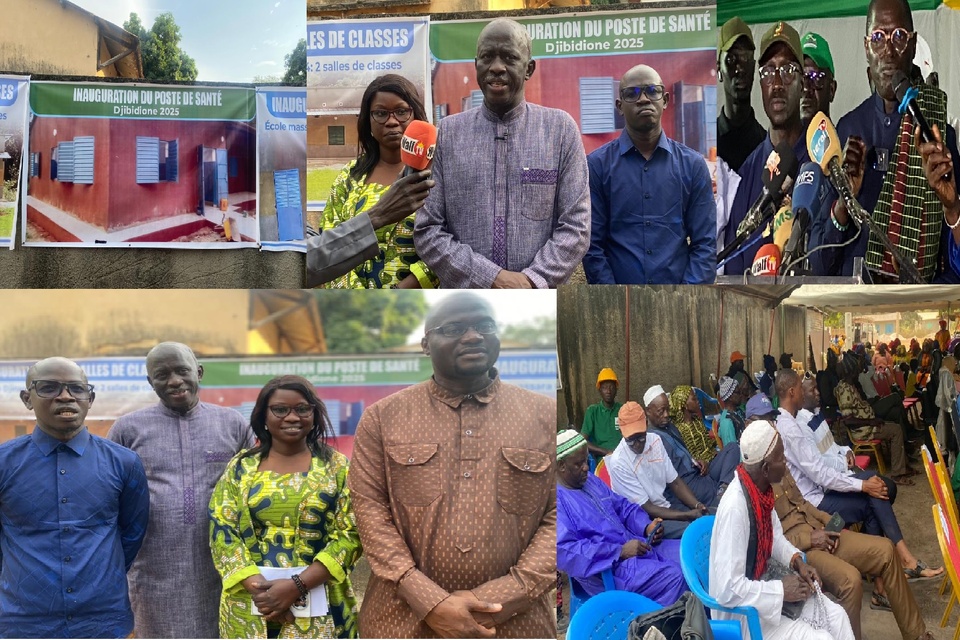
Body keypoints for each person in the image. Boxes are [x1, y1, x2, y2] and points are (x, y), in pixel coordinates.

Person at [347, 292, 554, 637]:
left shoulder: (544, 414)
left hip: (517, 622)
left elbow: (556, 517)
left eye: (484, 325)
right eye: (454, 328)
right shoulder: (383, 418)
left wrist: (494, 601)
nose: (473, 336)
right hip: (402, 618)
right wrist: (430, 602)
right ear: (426, 344)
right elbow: (370, 513)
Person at [414, 18, 590, 288]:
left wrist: (532, 281)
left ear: (529, 68)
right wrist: (489, 278)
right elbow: (428, 230)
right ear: (476, 66)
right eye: (487, 57)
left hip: (538, 306)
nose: (496, 67)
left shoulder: (560, 130)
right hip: (466, 306)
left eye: (509, 57)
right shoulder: (448, 133)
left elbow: (576, 227)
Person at [107, 342, 253, 639]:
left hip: (221, 566)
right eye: (162, 374)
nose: (174, 380)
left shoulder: (233, 424)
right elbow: (110, 498)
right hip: (154, 571)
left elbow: (253, 486)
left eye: (182, 370)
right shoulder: (127, 429)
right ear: (151, 382)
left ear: (198, 372)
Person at [0, 358, 149, 638]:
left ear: (89, 399)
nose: (65, 396)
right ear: (26, 399)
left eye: (76, 389)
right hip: (23, 622)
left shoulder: (124, 463)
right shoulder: (4, 463)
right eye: (49, 388)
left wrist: (98, 575)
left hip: (102, 621)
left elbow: (132, 535)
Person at [815, 0, 960, 281]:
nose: (889, 52)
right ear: (866, 47)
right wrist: (845, 201)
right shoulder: (847, 130)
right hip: (851, 311)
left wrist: (952, 207)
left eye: (899, 37)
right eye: (878, 38)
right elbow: (821, 264)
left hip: (918, 313)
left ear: (914, 45)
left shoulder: (937, 131)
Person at [209, 375, 361, 638]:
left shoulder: (337, 467)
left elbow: (352, 534)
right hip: (250, 604)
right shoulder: (241, 467)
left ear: (314, 414)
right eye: (280, 409)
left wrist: (295, 587)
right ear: (263, 416)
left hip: (321, 602)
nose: (292, 417)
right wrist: (265, 594)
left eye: (302, 409)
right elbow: (222, 530)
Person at [777, 368, 943, 582]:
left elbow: (828, 454)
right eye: (802, 388)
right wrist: (861, 486)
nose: (813, 392)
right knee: (876, 494)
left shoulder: (796, 421)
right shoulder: (791, 428)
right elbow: (819, 473)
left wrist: (848, 458)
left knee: (878, 490)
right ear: (792, 392)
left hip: (824, 489)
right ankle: (894, 567)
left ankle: (888, 570)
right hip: (815, 502)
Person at [710, 419, 855, 640]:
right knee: (820, 638)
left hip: (763, 588)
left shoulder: (761, 491)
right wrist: (780, 590)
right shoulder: (735, 508)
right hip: (741, 614)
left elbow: (775, 537)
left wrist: (797, 561)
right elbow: (727, 590)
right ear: (766, 468)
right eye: (781, 457)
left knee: (837, 617)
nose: (785, 462)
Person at [583, 63, 714, 285]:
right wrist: (614, 302)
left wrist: (684, 300)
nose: (643, 99)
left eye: (652, 91)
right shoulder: (597, 166)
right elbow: (592, 247)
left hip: (679, 306)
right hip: (617, 306)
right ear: (619, 106)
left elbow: (705, 245)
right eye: (632, 93)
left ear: (665, 100)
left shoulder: (693, 166)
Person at [774, 468, 935, 640]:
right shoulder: (758, 486)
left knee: (886, 550)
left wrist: (829, 521)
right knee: (850, 580)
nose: (784, 460)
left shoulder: (780, 467)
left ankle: (916, 635)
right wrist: (809, 539)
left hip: (823, 532)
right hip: (802, 552)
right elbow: (773, 542)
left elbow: (803, 504)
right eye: (779, 453)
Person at [309, 75, 438, 289]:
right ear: (368, 120)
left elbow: (449, 244)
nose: (392, 121)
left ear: (416, 115)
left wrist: (401, 291)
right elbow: (329, 242)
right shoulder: (349, 177)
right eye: (380, 113)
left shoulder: (437, 175)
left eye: (401, 111)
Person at [556, 430, 687, 605]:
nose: (586, 467)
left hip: (636, 546)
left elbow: (622, 506)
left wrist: (646, 526)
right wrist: (619, 552)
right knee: (675, 578)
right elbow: (567, 551)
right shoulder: (556, 502)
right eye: (578, 464)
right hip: (608, 571)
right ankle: (658, 627)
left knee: (688, 555)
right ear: (561, 466)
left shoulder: (590, 481)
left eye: (586, 461)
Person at [720, 21, 810, 277]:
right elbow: (734, 269)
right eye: (768, 72)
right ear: (760, 84)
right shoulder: (747, 174)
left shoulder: (820, 161)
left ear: (802, 83)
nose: (777, 83)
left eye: (788, 70)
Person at [606, 401, 710, 539]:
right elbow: (648, 508)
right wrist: (687, 515)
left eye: (641, 437)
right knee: (696, 531)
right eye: (631, 440)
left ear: (646, 426)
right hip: (646, 520)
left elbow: (675, 482)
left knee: (710, 517)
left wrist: (697, 505)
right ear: (621, 433)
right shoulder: (619, 463)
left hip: (666, 505)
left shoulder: (655, 440)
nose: (637, 444)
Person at [645, 386, 741, 508]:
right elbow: (670, 481)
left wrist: (698, 461)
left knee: (732, 448)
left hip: (699, 471)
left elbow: (685, 453)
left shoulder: (669, 427)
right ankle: (721, 499)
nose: (666, 415)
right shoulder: (651, 440)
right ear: (648, 411)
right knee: (729, 499)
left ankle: (723, 488)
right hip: (688, 483)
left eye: (668, 410)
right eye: (661, 411)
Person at [718, 17, 766, 172]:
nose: (740, 69)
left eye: (746, 58)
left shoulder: (766, 146)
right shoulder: (705, 146)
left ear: (753, 66)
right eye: (731, 59)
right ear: (719, 70)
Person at [581, 367, 624, 460]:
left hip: (624, 457)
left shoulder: (622, 409)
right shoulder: (592, 411)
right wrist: (606, 452)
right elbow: (583, 441)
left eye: (611, 387)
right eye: (604, 388)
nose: (608, 391)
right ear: (599, 390)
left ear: (616, 390)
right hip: (603, 460)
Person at [799, 32, 836, 122]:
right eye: (801, 77)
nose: (806, 88)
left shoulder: (843, 135)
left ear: (831, 90)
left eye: (816, 77)